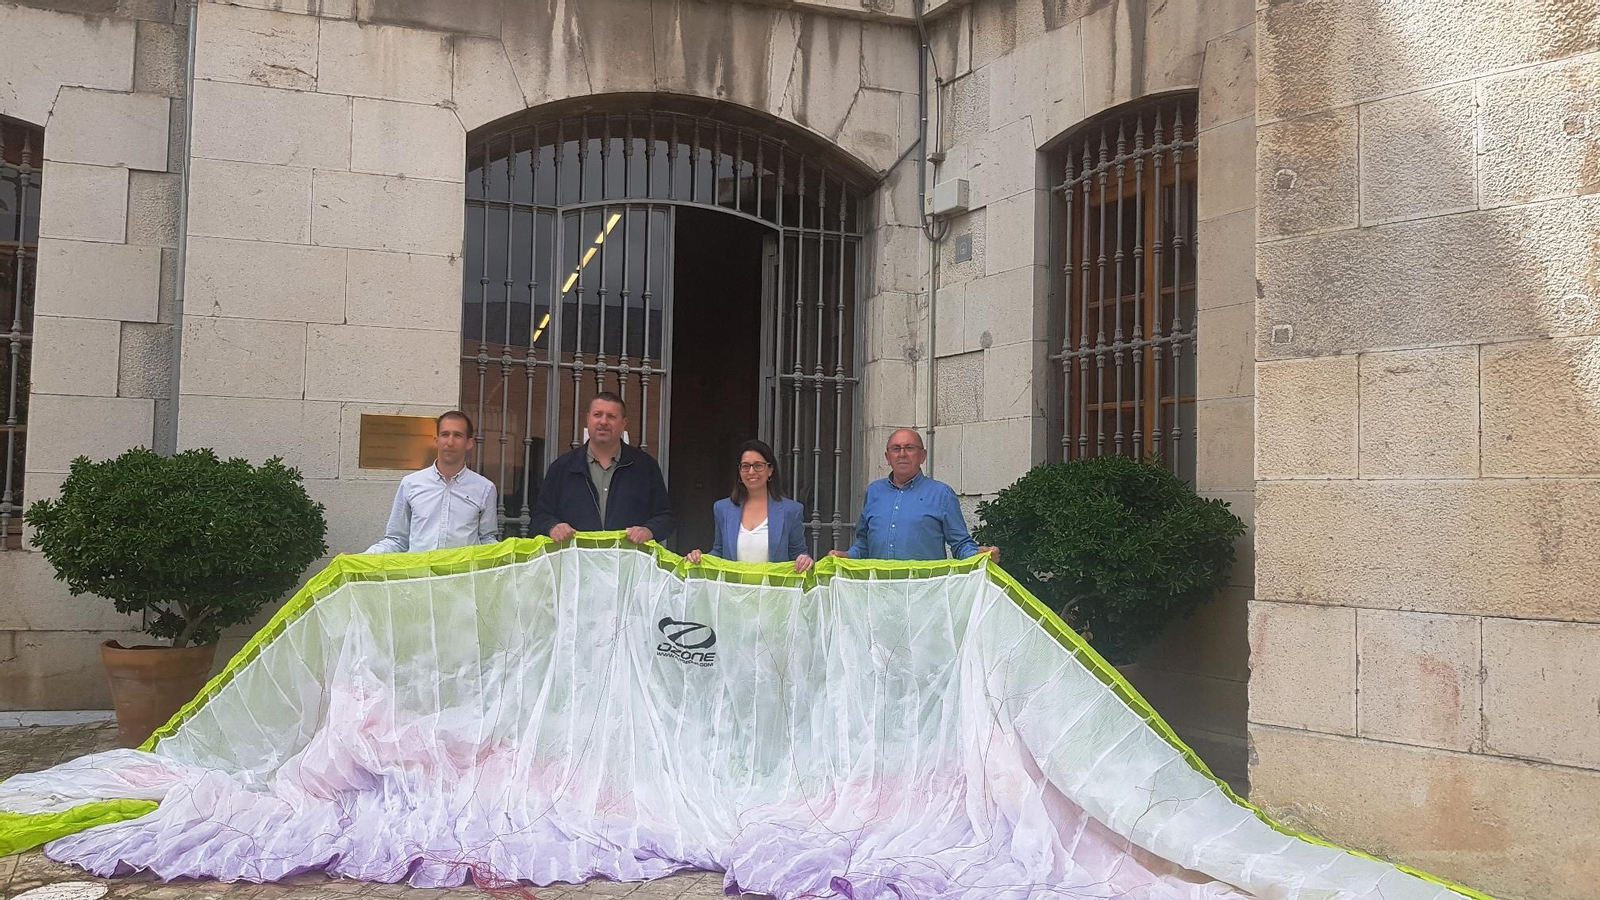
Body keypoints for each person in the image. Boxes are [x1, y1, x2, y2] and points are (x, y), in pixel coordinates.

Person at [829, 428, 1000, 563]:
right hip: (879, 593)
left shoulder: (942, 494)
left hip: (924, 595)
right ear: (887, 457)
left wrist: (978, 555)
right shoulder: (874, 492)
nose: (902, 454)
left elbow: (960, 544)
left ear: (923, 456)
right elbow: (865, 543)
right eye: (896, 449)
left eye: (909, 448)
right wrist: (848, 556)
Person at [531, 392, 674, 545]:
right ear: (588, 419)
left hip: (628, 563)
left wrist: (649, 530)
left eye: (611, 416)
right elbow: (540, 516)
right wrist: (553, 527)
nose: (603, 422)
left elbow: (666, 517)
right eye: (597, 414)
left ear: (623, 423)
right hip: (577, 563)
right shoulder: (562, 467)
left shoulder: (645, 467)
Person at [366, 410, 499, 553]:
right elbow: (396, 540)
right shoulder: (410, 484)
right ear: (436, 441)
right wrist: (360, 559)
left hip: (462, 574)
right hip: (420, 575)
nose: (450, 442)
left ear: (469, 443)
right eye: (445, 434)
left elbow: (487, 540)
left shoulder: (484, 488)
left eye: (458, 435)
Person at [686, 440, 814, 572]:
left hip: (774, 591)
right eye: (745, 466)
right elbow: (719, 552)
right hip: (734, 591)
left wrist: (804, 560)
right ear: (739, 472)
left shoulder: (791, 510)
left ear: (770, 470)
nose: (751, 472)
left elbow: (798, 554)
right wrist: (699, 558)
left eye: (758, 466)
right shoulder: (722, 509)